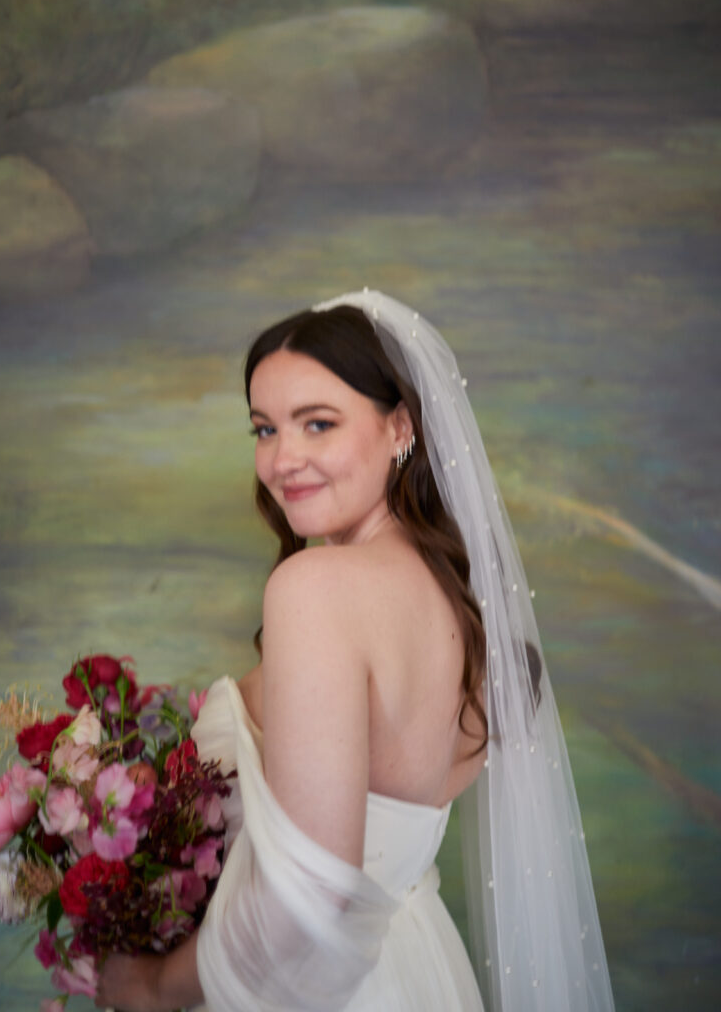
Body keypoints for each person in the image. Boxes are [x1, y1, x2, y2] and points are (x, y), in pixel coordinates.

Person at [97, 290, 615, 1012]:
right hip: (421, 970)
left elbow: (311, 894)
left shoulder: (316, 588)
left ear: (400, 426)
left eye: (318, 423)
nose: (283, 459)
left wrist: (155, 986)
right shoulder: (464, 610)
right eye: (265, 428)